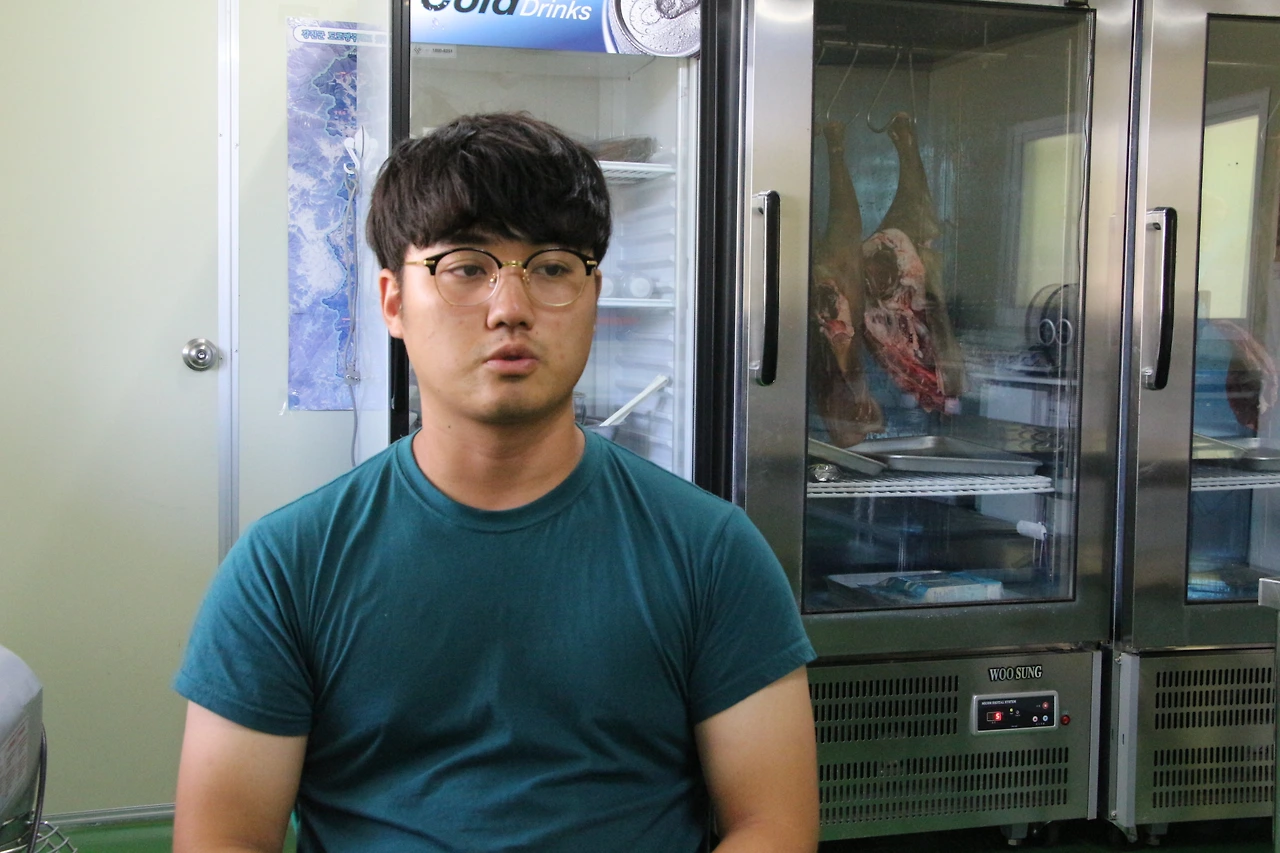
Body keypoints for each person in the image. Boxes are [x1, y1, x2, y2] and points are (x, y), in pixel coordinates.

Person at [172, 112, 819, 853]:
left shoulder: (710, 551)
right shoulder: (287, 566)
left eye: (552, 268)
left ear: (593, 293)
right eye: (465, 267)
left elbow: (773, 824)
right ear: (392, 302)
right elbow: (225, 837)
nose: (511, 309)